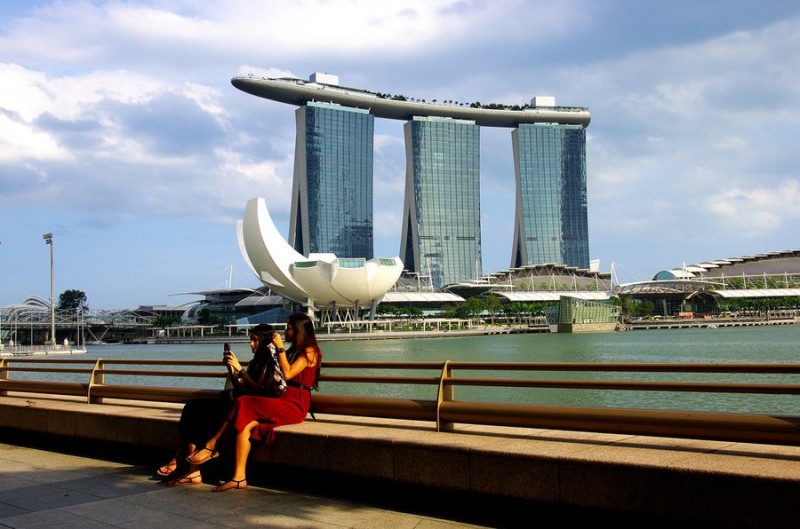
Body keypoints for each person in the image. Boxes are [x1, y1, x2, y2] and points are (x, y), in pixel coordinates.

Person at [185, 312, 322, 492]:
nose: (285, 332)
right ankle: (239, 477)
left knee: (244, 402)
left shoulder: (310, 351)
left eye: (289, 328)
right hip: (283, 398)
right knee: (244, 425)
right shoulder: (293, 351)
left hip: (295, 403)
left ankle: (212, 445)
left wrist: (280, 348)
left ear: (299, 331)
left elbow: (288, 374)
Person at [156, 323, 281, 485]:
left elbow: (258, 389)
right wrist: (231, 370)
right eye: (250, 340)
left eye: (255, 340)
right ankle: (191, 468)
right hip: (239, 402)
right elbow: (241, 388)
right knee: (192, 408)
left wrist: (240, 369)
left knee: (203, 417)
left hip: (251, 408)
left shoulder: (270, 363)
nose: (251, 344)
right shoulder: (254, 362)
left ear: (264, 341)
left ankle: (184, 462)